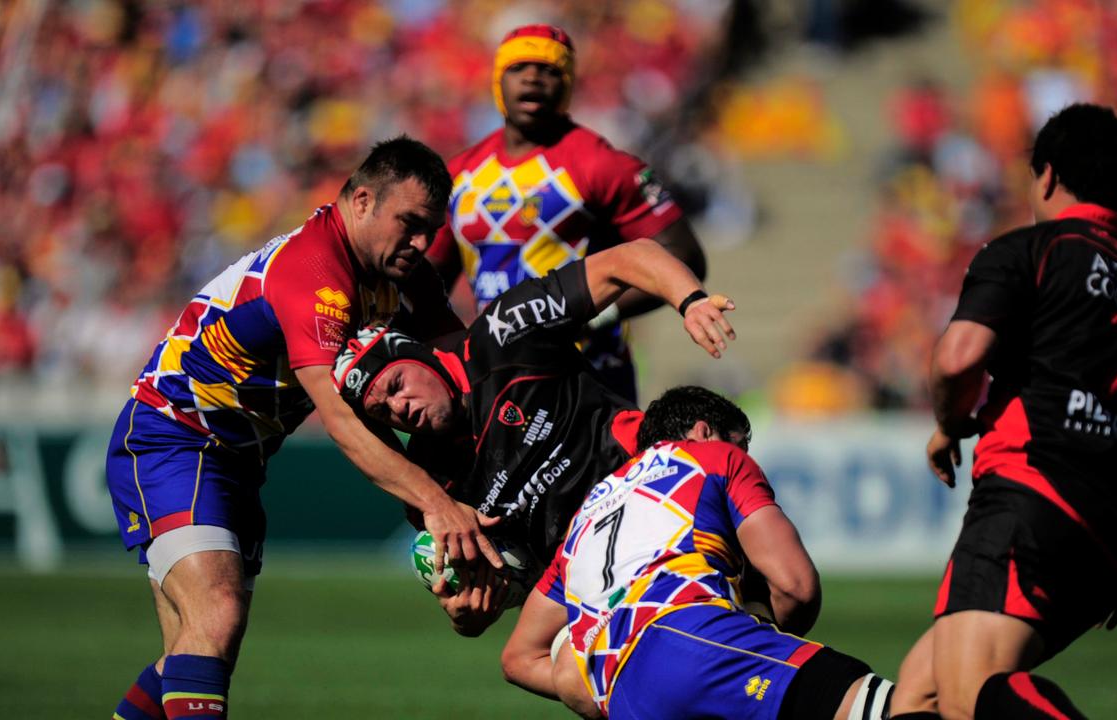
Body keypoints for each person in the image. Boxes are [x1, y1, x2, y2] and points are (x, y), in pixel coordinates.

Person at [104, 137, 506, 720]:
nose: (422, 245)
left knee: (192, 653)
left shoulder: (401, 272)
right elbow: (338, 420)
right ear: (362, 201)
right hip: (175, 436)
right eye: (410, 224)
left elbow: (459, 363)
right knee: (216, 614)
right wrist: (437, 504)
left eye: (430, 231)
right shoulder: (315, 270)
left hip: (239, 461)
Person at [886, 104, 1117, 720]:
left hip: (1030, 497)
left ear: (1046, 176)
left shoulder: (1028, 252)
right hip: (1114, 537)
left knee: (971, 695)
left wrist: (949, 423)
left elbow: (957, 358)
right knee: (923, 693)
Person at [333, 237, 735, 635]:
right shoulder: (427, 484)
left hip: (661, 497)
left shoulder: (505, 331)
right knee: (523, 662)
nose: (399, 406)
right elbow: (509, 574)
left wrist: (690, 301)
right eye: (382, 411)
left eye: (397, 384)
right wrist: (468, 615)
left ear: (422, 356)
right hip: (601, 579)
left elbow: (630, 256)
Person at [499, 386, 896, 720]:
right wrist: (759, 625)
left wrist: (595, 684)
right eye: (741, 445)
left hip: (625, 700)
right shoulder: (714, 457)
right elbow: (796, 586)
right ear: (704, 431)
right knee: (893, 706)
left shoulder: (585, 518)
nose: (747, 456)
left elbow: (519, 659)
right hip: (693, 640)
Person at [427, 23, 707, 402]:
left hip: (590, 374)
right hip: (500, 378)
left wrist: (596, 314)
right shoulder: (459, 175)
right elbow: (429, 281)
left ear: (568, 84)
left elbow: (684, 256)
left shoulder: (603, 165)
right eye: (518, 67)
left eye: (549, 70)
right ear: (497, 80)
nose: (532, 78)